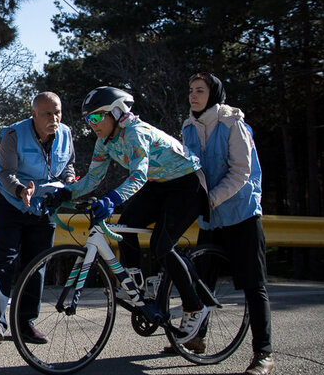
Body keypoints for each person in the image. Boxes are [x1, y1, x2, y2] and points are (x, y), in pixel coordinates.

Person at [54, 86, 212, 343]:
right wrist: (65, 194)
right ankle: (135, 283)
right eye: (87, 119)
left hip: (188, 184)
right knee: (126, 224)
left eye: (95, 117)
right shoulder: (104, 140)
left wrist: (112, 199)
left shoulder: (135, 133)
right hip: (159, 183)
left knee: (162, 245)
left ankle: (195, 307)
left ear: (116, 113)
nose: (91, 124)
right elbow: (93, 178)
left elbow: (138, 176)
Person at [183, 72, 274, 375]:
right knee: (201, 280)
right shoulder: (188, 127)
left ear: (214, 94)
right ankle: (197, 337)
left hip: (241, 213)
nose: (193, 96)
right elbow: (190, 169)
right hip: (211, 215)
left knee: (253, 285)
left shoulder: (233, 124)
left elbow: (242, 171)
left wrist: (212, 198)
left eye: (200, 90)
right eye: (191, 91)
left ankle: (263, 352)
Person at [0, 92, 76, 347]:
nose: (53, 118)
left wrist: (69, 180)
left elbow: (68, 165)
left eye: (57, 112)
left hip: (44, 205)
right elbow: (6, 173)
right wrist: (21, 190)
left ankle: (25, 323)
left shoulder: (66, 134)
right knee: (4, 260)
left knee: (37, 264)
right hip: (11, 202)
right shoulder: (13, 134)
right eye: (47, 113)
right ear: (33, 114)